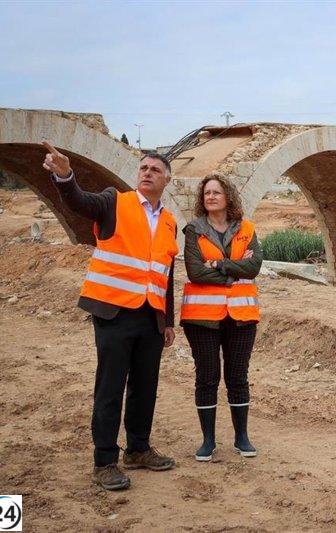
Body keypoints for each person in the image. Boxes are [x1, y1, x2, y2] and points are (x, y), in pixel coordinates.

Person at [42, 141, 178, 491]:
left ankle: (138, 449)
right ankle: (105, 461)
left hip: (151, 316)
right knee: (111, 387)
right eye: (144, 169)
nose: (147, 173)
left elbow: (165, 274)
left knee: (145, 387)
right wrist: (65, 177)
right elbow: (79, 202)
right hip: (114, 313)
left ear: (167, 180)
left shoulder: (169, 222)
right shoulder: (114, 201)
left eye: (155, 170)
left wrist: (167, 322)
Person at [180, 174, 263, 462]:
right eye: (206, 193)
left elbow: (253, 267)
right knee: (207, 378)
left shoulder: (246, 228)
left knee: (238, 377)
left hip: (241, 316)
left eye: (216, 192)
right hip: (202, 318)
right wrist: (232, 272)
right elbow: (195, 272)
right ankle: (208, 441)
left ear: (228, 196)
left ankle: (242, 437)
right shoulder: (193, 230)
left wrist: (217, 264)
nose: (210, 196)